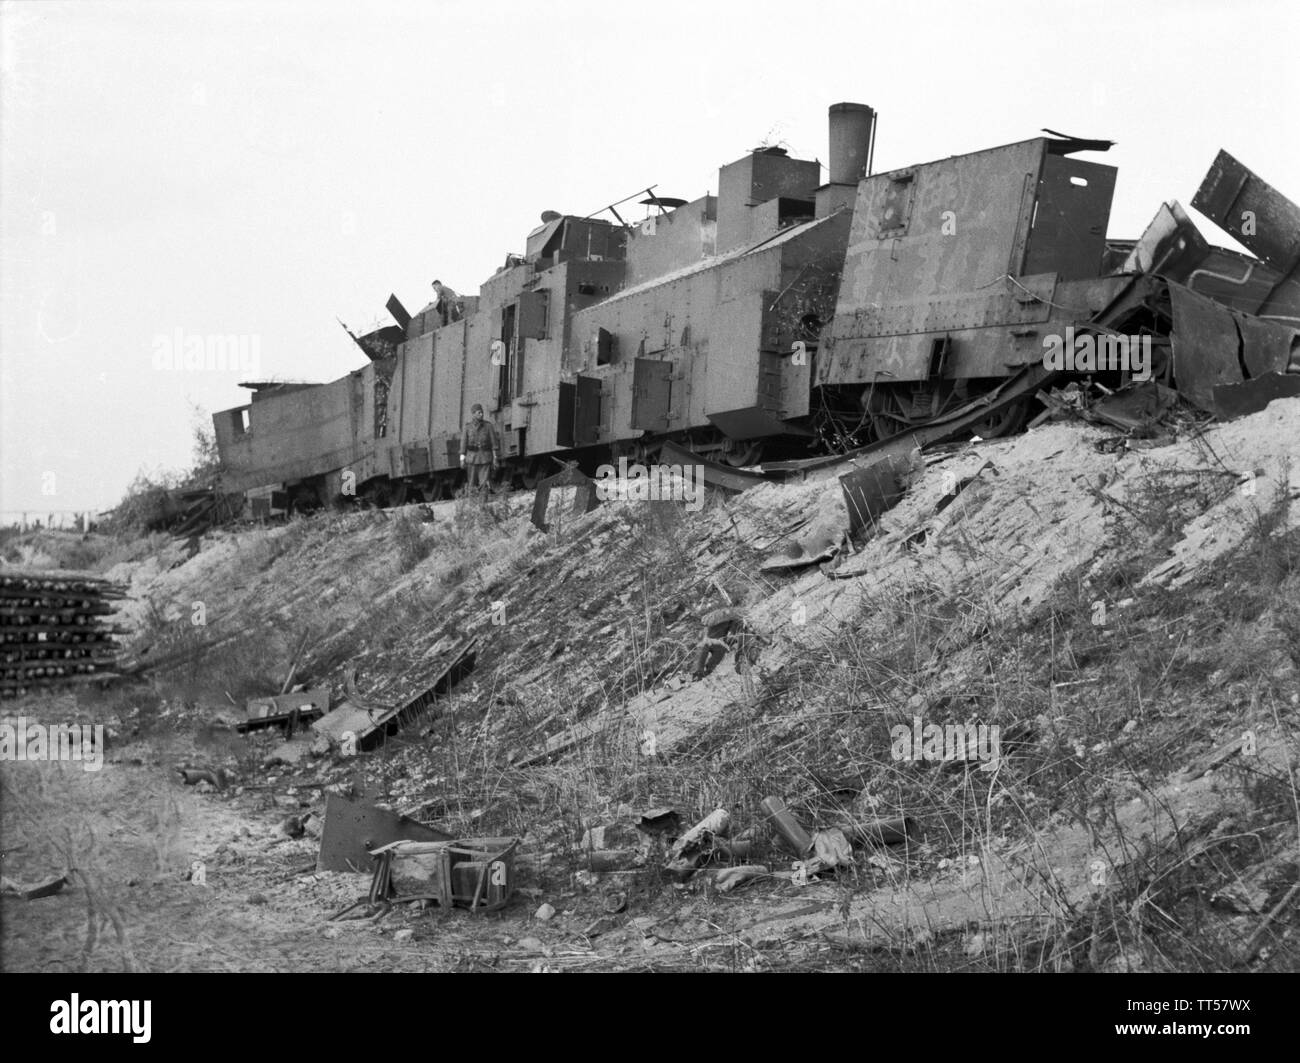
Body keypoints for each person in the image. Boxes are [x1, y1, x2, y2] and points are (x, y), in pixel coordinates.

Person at [460, 403, 499, 497]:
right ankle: (472, 501)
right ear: (473, 414)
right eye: (479, 413)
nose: (481, 414)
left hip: (485, 458)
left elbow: (494, 444)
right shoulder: (467, 428)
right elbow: (463, 445)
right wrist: (462, 459)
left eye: (482, 412)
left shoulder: (488, 426)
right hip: (472, 459)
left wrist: (495, 458)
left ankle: (483, 501)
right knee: (471, 483)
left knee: (484, 483)